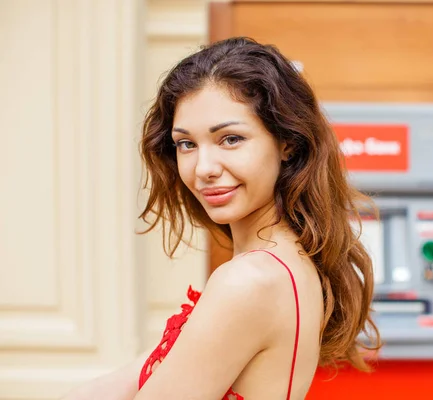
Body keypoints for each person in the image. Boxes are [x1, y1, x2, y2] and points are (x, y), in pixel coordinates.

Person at [63, 36, 381, 400]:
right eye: (187, 144)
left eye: (230, 139)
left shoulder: (250, 281)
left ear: (287, 143)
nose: (204, 168)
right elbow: (125, 381)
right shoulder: (285, 263)